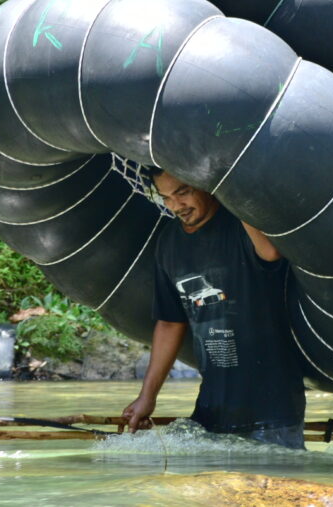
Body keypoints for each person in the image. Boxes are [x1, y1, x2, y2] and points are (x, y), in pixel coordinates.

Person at [120, 168, 307, 449]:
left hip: (272, 411)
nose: (175, 205)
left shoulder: (240, 223)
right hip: (211, 410)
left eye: (183, 192)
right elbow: (170, 322)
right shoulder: (169, 243)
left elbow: (270, 252)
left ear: (206, 184)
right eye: (166, 197)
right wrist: (148, 396)